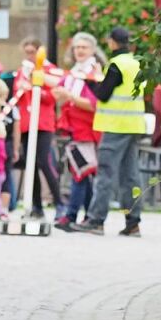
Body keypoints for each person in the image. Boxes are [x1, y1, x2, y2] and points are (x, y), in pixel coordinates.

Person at [73, 26, 146, 236]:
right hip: (133, 125)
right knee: (130, 175)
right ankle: (133, 222)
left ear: (112, 42)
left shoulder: (116, 65)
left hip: (115, 126)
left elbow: (102, 95)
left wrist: (91, 80)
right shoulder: (135, 62)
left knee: (105, 173)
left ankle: (96, 220)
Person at [52, 32, 102, 231]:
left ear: (92, 50)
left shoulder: (93, 74)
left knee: (80, 173)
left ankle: (71, 214)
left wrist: (69, 96)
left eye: (84, 47)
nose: (79, 51)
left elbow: (93, 104)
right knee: (83, 172)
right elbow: (59, 90)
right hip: (73, 129)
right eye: (77, 47)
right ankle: (88, 215)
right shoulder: (74, 72)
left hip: (87, 130)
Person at [11, 36, 64, 218]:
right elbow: (17, 93)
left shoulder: (50, 71)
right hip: (27, 124)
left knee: (44, 162)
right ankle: (37, 207)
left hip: (43, 123)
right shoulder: (23, 71)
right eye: (26, 53)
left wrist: (35, 89)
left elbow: (53, 96)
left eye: (32, 52)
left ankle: (59, 203)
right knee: (30, 164)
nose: (29, 56)